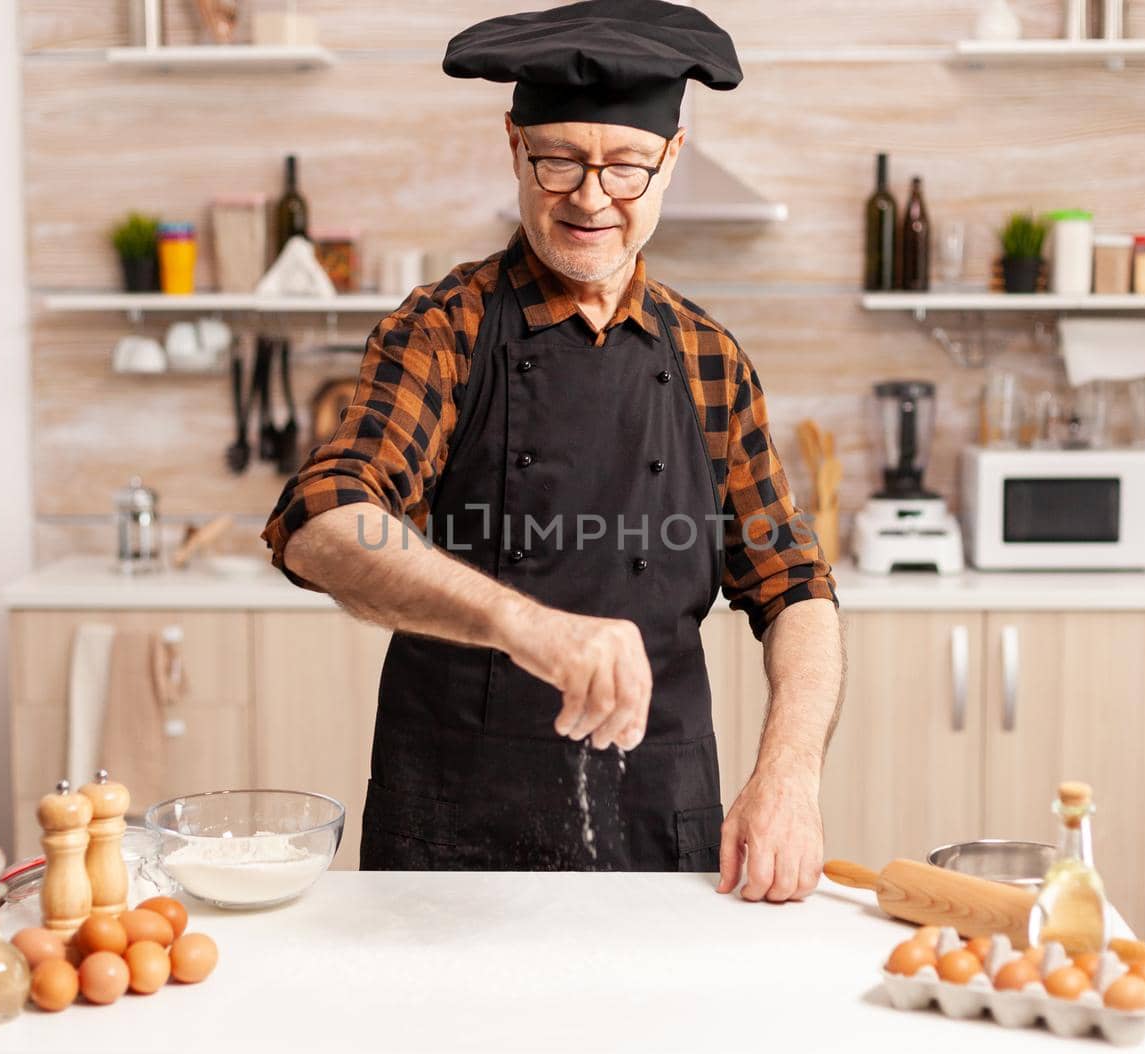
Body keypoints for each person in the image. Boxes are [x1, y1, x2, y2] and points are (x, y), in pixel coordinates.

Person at [261, 0, 844, 902]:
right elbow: (323, 519)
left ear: (671, 160)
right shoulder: (443, 329)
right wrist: (527, 625)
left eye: (625, 166)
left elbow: (794, 583)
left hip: (666, 825)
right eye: (560, 158)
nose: (589, 196)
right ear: (514, 147)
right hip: (454, 832)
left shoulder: (709, 358)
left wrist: (790, 775)